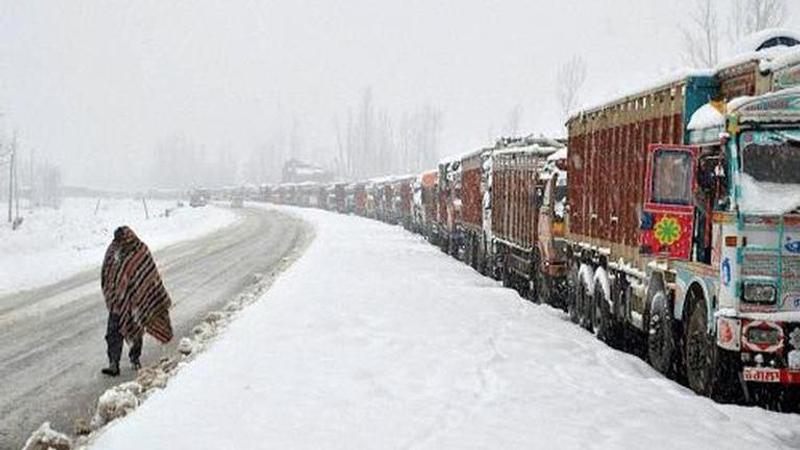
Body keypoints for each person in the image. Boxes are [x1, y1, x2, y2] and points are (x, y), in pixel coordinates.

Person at [100, 226, 173, 376]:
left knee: (135, 330)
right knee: (113, 332)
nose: (119, 243)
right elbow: (106, 273)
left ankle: (135, 358)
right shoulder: (113, 250)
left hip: (136, 300)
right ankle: (113, 363)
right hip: (116, 301)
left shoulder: (139, 250)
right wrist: (112, 293)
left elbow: (148, 274)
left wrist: (140, 293)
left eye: (121, 240)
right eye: (117, 240)